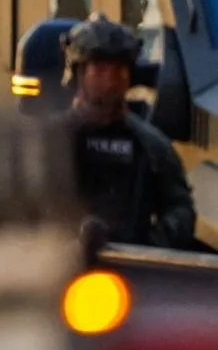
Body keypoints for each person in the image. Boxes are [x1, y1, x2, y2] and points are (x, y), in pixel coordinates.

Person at [61, 14, 195, 249]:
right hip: (57, 270)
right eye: (101, 69)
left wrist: (148, 246)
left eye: (119, 70)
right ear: (79, 72)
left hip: (132, 273)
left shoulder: (151, 145)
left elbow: (181, 209)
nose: (111, 80)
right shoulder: (48, 140)